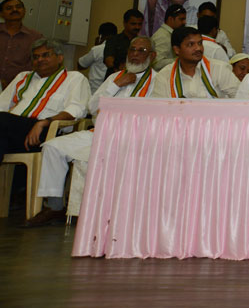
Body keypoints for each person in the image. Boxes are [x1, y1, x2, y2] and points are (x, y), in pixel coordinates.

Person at [24, 36, 158, 227]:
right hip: (100, 132)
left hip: (133, 137)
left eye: (141, 51)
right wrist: (116, 85)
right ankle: (54, 207)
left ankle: (107, 211)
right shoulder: (114, 78)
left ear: (152, 56)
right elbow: (92, 107)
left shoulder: (158, 81)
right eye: (132, 49)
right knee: (53, 147)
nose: (135, 54)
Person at [0, 39, 90, 160]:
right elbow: (2, 104)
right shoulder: (23, 77)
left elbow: (76, 109)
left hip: (44, 132)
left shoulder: (74, 78)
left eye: (45, 55)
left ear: (60, 58)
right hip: (11, 130)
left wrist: (45, 122)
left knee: (2, 119)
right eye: (36, 57)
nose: (40, 60)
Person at [152, 26, 240, 98]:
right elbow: (160, 108)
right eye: (191, 44)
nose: (198, 48)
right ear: (177, 50)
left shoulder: (219, 69)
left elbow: (241, 99)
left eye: (200, 43)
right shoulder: (164, 76)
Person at [0, 0, 43, 88]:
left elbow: (38, 64)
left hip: (18, 89)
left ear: (24, 11)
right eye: (9, 8)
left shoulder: (35, 37)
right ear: (1, 14)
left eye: (18, 7)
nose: (14, 10)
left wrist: (15, 84)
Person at [77, 22, 117, 93]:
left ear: (100, 36)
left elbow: (80, 65)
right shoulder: (119, 48)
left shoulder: (97, 49)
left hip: (95, 90)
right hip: (112, 89)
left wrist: (96, 46)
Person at [103, 9, 145, 77]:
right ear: (125, 23)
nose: (137, 27)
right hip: (115, 78)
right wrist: (120, 66)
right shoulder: (113, 40)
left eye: (139, 24)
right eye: (133, 24)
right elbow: (109, 61)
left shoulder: (142, 42)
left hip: (136, 78)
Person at [151, 4, 188, 70]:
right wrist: (181, 59)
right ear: (170, 19)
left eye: (184, 19)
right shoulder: (162, 36)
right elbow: (157, 64)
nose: (184, 22)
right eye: (181, 19)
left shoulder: (171, 34)